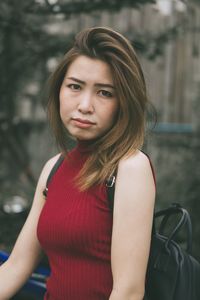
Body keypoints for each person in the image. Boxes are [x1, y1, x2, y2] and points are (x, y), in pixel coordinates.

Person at [0, 27, 156, 300]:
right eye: (75, 86)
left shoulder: (130, 168)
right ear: (59, 89)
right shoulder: (54, 168)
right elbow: (16, 267)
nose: (85, 105)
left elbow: (129, 292)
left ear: (123, 103)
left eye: (105, 93)